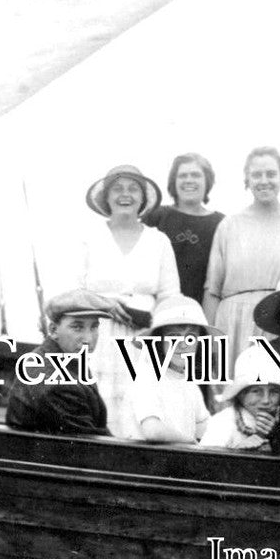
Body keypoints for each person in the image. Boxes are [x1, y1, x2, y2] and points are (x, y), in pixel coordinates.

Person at [81, 164, 181, 437]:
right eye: (118, 189)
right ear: (106, 197)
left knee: (141, 406)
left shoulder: (158, 241)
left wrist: (153, 327)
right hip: (96, 335)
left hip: (142, 337)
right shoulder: (90, 238)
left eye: (133, 189)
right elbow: (72, 293)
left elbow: (171, 299)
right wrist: (102, 305)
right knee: (96, 403)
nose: (125, 195)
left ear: (143, 198)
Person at [203, 146, 280, 365]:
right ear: (247, 180)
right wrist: (210, 343)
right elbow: (212, 291)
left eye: (271, 174)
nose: (264, 181)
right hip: (233, 323)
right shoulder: (229, 225)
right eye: (256, 175)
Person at [5, 289, 115, 436]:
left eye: (94, 327)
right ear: (53, 329)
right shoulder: (58, 381)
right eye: (77, 327)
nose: (88, 339)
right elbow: (91, 446)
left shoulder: (62, 360)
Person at [127, 296, 219, 444]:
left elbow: (206, 429)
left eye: (191, 337)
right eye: (173, 336)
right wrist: (191, 443)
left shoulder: (189, 383)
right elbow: (153, 431)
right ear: (158, 340)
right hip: (146, 460)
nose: (183, 345)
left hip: (179, 460)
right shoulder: (147, 376)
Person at [143, 152, 225, 302]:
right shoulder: (155, 217)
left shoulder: (221, 223)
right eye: (182, 176)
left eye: (195, 175)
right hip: (158, 309)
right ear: (173, 181)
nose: (189, 180)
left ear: (207, 180)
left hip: (201, 311)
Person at [200, 349, 280, 454]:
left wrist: (276, 439)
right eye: (256, 391)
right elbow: (203, 463)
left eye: (274, 391)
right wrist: (237, 452)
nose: (266, 400)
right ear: (240, 394)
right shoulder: (223, 422)